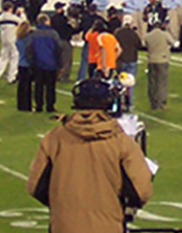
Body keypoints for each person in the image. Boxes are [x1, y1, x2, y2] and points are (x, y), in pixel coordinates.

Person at [27, 78, 153, 233]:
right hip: (108, 226)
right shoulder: (122, 142)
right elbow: (141, 192)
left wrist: (63, 205)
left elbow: (36, 187)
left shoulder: (53, 139)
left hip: (64, 226)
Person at [27, 15, 63, 113]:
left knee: (39, 86)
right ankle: (50, 106)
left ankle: (39, 106)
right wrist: (60, 64)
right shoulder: (53, 34)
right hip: (51, 64)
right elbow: (59, 48)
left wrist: (31, 62)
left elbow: (29, 49)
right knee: (50, 87)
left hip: (38, 64)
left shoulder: (34, 34)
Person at [142, 22, 174, 111]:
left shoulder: (148, 36)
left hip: (151, 60)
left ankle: (153, 103)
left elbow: (144, 45)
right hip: (162, 60)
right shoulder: (164, 35)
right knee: (162, 83)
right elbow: (173, 43)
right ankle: (161, 103)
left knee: (152, 83)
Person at [114, 15, 143, 107]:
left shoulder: (118, 32)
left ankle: (118, 102)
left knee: (119, 82)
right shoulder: (133, 34)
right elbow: (139, 45)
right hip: (132, 60)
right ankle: (129, 103)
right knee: (130, 83)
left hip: (121, 60)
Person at [0, 2, 25, 84]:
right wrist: (21, 14)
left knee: (3, 58)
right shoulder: (12, 17)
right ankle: (11, 77)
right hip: (12, 40)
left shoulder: (0, 17)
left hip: (4, 40)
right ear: (10, 9)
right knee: (14, 57)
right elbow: (23, 23)